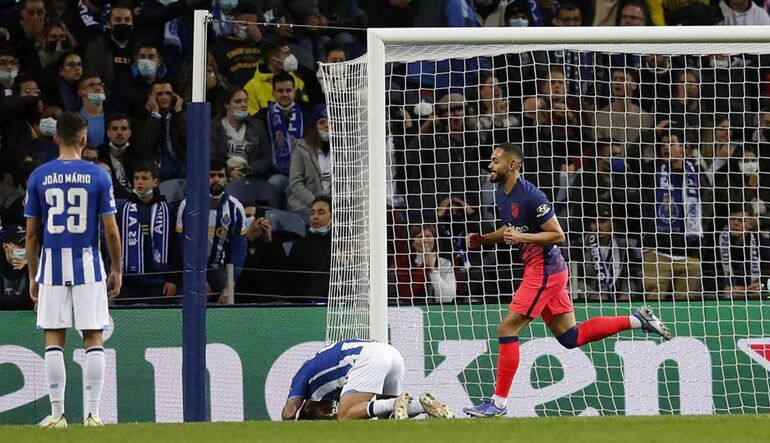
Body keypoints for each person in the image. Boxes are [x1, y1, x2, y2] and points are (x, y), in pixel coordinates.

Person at [462, 144, 670, 418]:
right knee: (571, 337)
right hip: (547, 270)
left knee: (507, 329)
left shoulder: (532, 196)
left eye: (495, 161)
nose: (490, 165)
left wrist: (522, 238)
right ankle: (637, 320)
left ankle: (497, 403)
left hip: (544, 270)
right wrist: (485, 239)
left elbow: (558, 235)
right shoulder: (502, 193)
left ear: (512, 165)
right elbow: (510, 229)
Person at [24, 111, 123, 428]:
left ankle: (57, 415)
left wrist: (32, 275)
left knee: (54, 338)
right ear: (84, 139)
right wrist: (117, 268)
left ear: (55, 139)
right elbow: (110, 230)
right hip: (89, 265)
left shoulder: (39, 176)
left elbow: (31, 233)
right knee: (93, 335)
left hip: (52, 265)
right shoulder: (99, 175)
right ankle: (93, 414)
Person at [281, 339, 453, 420]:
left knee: (345, 415)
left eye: (321, 415)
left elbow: (288, 413)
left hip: (369, 357)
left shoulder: (302, 378)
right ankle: (421, 405)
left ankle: (395, 402)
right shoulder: (328, 389)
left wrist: (293, 422)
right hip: (391, 353)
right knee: (388, 420)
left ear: (309, 406)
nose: (328, 413)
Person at [175, 159, 247, 304]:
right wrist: (198, 279)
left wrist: (229, 287)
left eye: (220, 176)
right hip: (191, 268)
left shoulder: (236, 208)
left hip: (218, 268)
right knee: (187, 303)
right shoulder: (188, 205)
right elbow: (182, 247)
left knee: (228, 301)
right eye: (211, 175)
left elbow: (239, 249)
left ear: (227, 180)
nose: (216, 180)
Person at [116, 162, 178, 305]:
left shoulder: (167, 211)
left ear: (155, 182)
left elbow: (174, 247)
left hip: (159, 282)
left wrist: (172, 279)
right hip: (129, 281)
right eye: (137, 178)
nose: (139, 182)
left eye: (144, 178)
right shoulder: (122, 210)